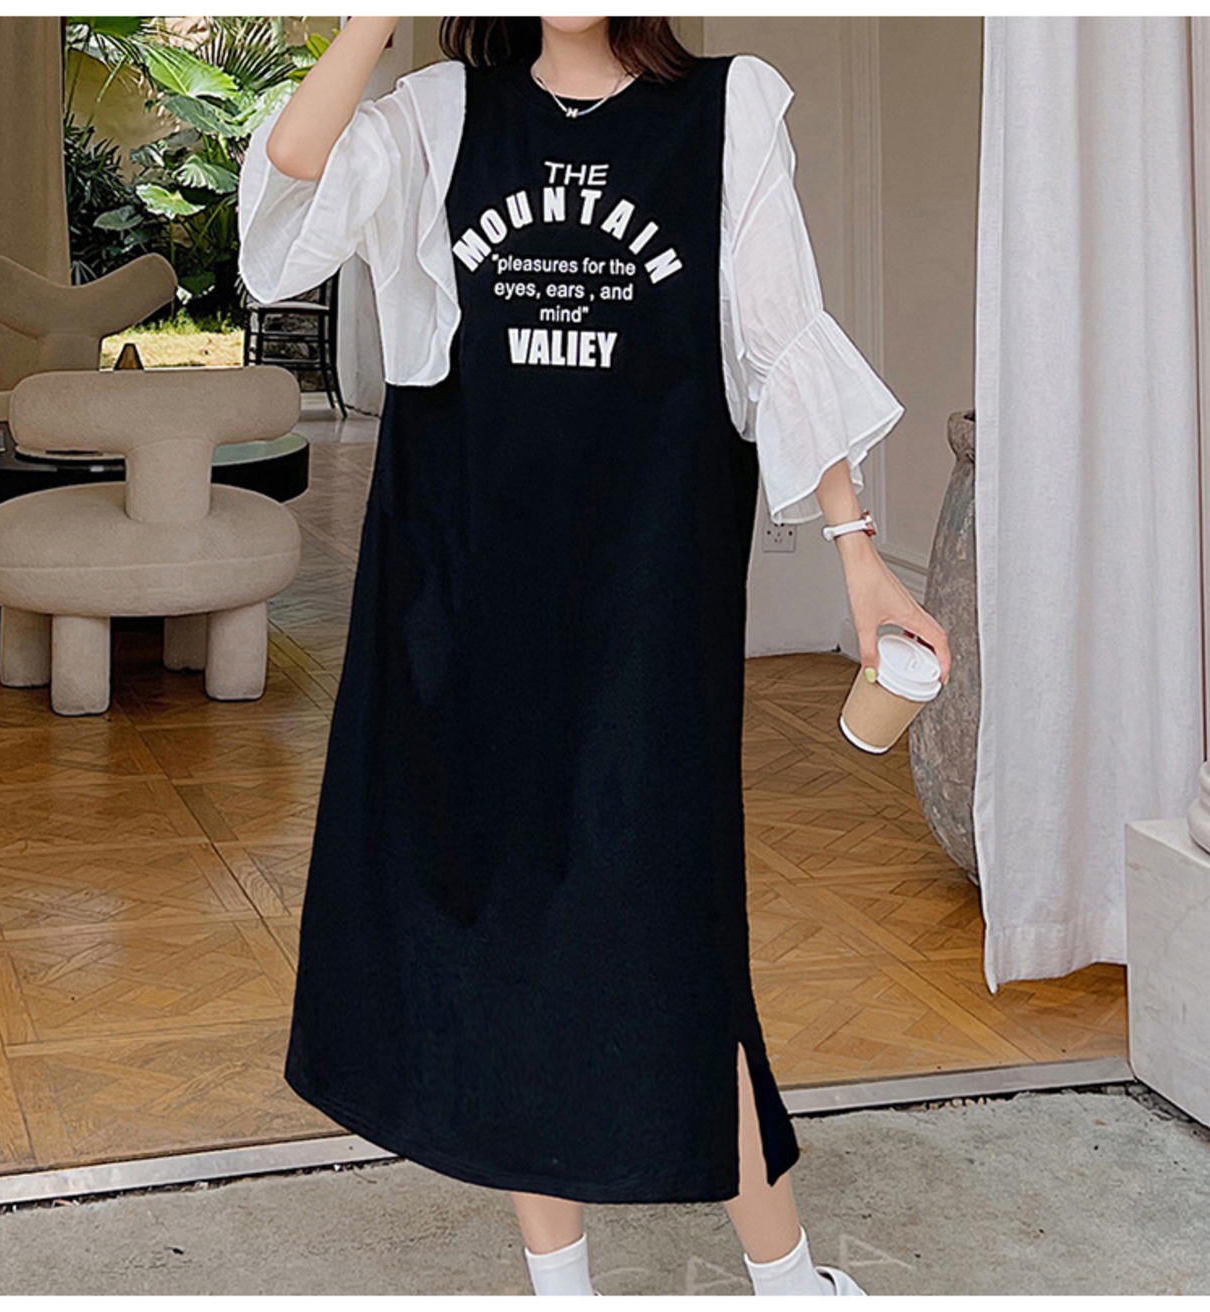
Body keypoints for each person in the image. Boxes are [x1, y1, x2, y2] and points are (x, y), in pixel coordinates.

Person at [237, 15, 952, 1298]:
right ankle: (563, 1287)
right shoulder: (440, 116)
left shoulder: (726, 112)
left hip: (646, 591)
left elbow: (778, 334)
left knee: (669, 936)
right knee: (504, 927)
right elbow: (288, 203)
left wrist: (858, 553)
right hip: (460, 590)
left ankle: (784, 1280)